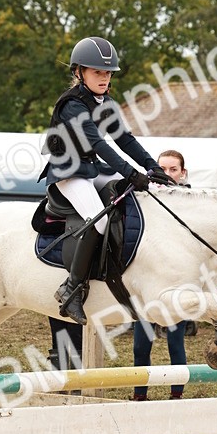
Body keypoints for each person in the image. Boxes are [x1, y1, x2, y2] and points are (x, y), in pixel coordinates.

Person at [43, 35, 171, 325]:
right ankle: (71, 289)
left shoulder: (105, 101)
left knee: (129, 200)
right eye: (97, 72)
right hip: (68, 172)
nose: (104, 78)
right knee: (98, 219)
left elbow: (123, 138)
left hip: (90, 168)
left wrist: (152, 166)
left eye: (108, 73)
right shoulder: (72, 106)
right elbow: (99, 145)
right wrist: (130, 172)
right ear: (79, 72)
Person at [131, 149, 196, 401]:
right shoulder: (145, 198)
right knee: (140, 345)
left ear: (183, 173)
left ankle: (176, 395)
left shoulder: (191, 202)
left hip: (176, 283)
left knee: (175, 342)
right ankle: (139, 395)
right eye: (163, 169)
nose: (167, 174)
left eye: (173, 169)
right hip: (147, 282)